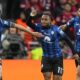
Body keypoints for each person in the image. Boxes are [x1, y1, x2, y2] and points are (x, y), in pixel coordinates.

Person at [27, 7, 75, 80]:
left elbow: (67, 39)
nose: (43, 21)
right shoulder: (39, 27)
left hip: (57, 57)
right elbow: (29, 23)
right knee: (47, 76)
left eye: (46, 20)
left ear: (51, 21)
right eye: (42, 19)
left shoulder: (56, 29)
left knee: (57, 78)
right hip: (46, 57)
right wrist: (31, 15)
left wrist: (74, 52)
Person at [60, 6, 80, 80]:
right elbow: (65, 26)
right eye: (79, 11)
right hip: (77, 50)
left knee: (78, 72)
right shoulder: (74, 20)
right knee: (78, 71)